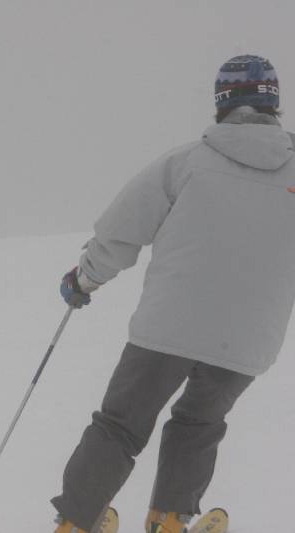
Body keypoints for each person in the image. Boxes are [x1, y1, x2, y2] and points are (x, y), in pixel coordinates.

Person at [52, 54, 295, 533]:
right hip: (248, 338)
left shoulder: (187, 163)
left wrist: (84, 279)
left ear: (222, 103)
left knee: (120, 425)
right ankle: (167, 520)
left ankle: (76, 523)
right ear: (274, 103)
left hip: (168, 327)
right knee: (199, 423)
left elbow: (121, 230)